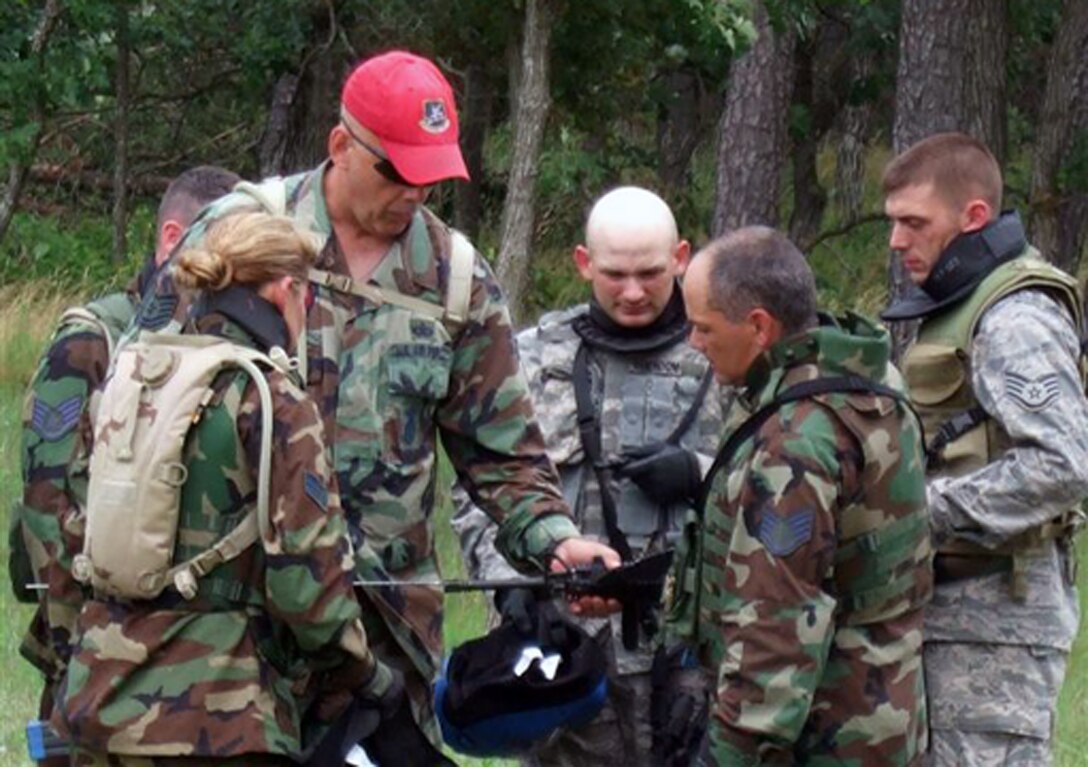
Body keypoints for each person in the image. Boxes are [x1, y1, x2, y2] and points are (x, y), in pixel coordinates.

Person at [131, 49, 620, 746]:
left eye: (433, 176)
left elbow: (503, 453)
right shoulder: (239, 233)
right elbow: (144, 395)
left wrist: (557, 541)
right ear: (341, 146)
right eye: (397, 171)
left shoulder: (454, 280)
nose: (415, 192)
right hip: (233, 630)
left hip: (381, 639)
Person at [51, 211, 411, 766]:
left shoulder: (133, 379)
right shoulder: (269, 398)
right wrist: (367, 675)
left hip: (96, 702)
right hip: (219, 718)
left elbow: (72, 530)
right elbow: (307, 589)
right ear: (286, 290)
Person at [452, 185, 729, 766]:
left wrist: (701, 474)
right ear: (584, 264)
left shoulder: (725, 356)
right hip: (569, 656)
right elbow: (478, 492)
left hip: (694, 659)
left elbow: (784, 484)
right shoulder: (529, 359)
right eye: (615, 274)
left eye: (651, 273)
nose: (633, 292)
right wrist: (511, 587)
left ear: (681, 257)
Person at [667, 226, 931, 765]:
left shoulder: (795, 442)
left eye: (703, 328)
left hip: (823, 735)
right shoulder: (869, 381)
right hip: (886, 717)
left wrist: (729, 754)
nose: (693, 343)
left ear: (759, 326)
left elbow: (776, 625)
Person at [11, 165, 240, 757]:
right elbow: (48, 507)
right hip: (97, 667)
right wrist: (82, 655)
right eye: (224, 247)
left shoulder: (223, 348)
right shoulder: (93, 342)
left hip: (199, 678)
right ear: (172, 240)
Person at [880, 132, 1088, 766]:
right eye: (893, 224)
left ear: (974, 218)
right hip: (958, 612)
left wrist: (921, 509)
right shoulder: (964, 306)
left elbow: (1063, 465)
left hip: (998, 621)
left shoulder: (1014, 315)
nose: (896, 242)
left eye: (914, 223)